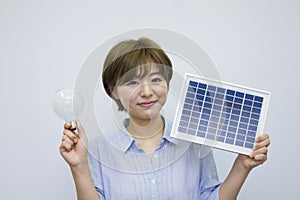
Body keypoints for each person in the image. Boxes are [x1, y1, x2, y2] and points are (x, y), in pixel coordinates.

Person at [59, 37, 271, 200]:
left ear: (168, 83)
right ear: (113, 91)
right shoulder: (97, 152)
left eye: (156, 79)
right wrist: (79, 168)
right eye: (133, 82)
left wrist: (242, 166)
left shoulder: (194, 143)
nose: (148, 91)